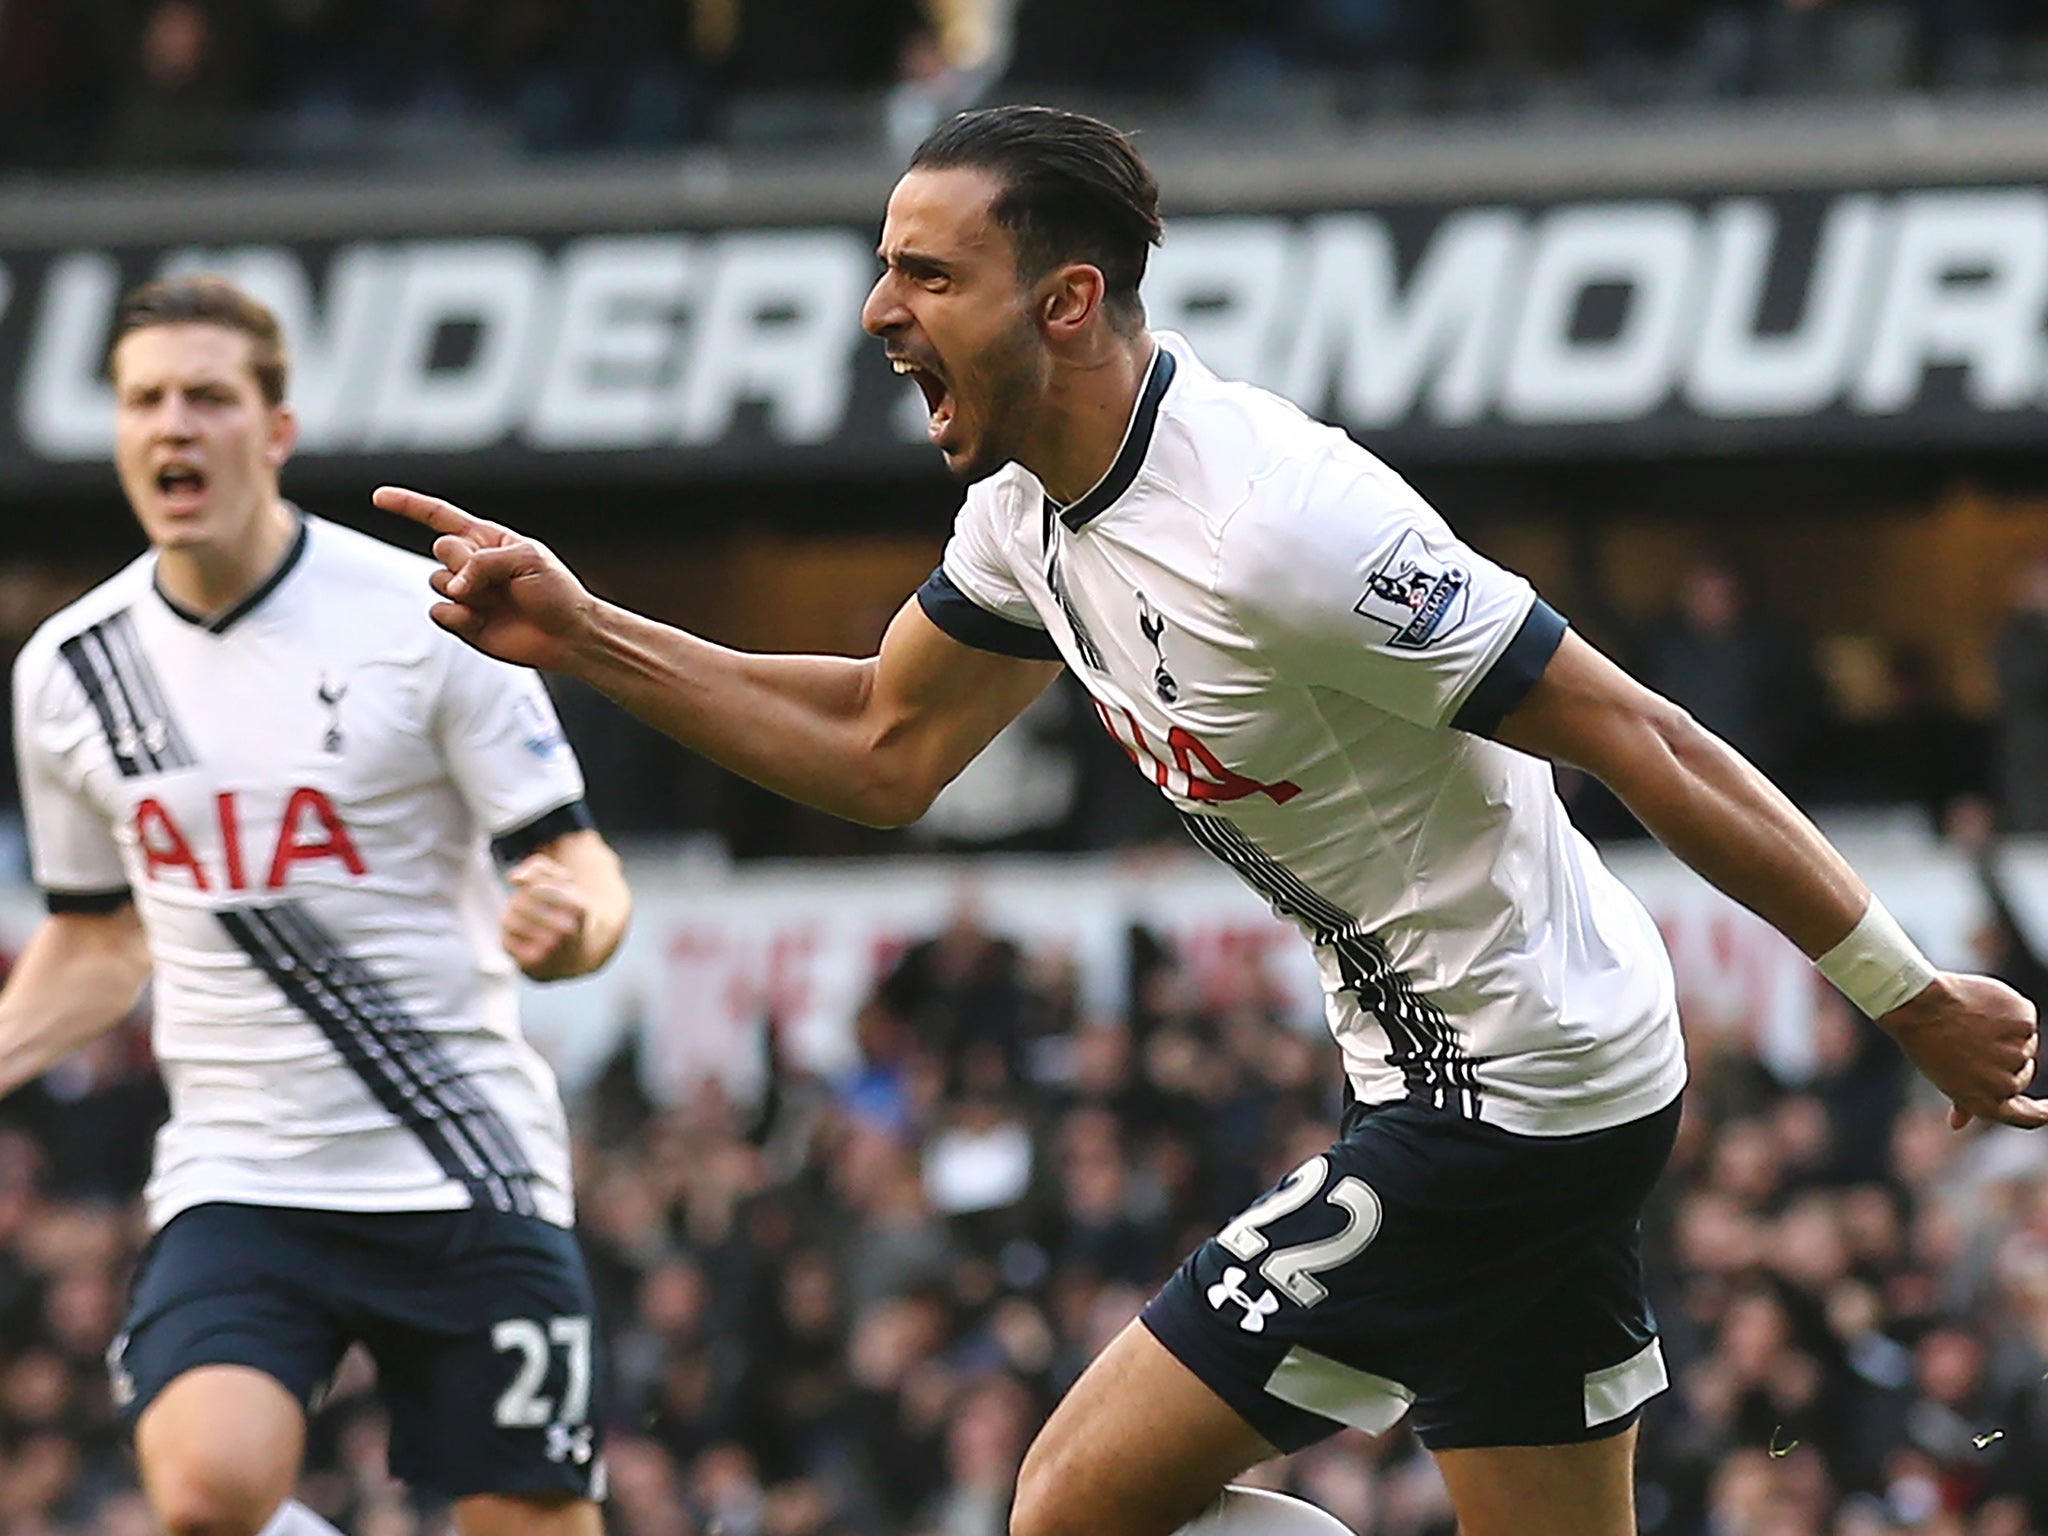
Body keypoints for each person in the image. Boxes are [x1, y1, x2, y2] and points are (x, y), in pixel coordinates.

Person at [374, 105, 2044, 1536]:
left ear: (1069, 299)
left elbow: (1647, 738)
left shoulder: (1274, 529)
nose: (880, 311)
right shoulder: (1025, 516)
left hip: (1511, 1094)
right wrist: (586, 632)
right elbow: (879, 746)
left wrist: (1904, 996)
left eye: (928, 275)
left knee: (1070, 1509)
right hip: (1488, 1060)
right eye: (886, 267)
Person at [2, 274, 632, 1536]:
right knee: (204, 1492)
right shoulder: (72, 670)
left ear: (275, 431)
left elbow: (576, 864)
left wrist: (572, 929)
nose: (173, 426)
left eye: (207, 397)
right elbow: (97, 933)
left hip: (462, 1163)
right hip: (244, 1173)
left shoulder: (423, 617)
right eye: (143, 400)